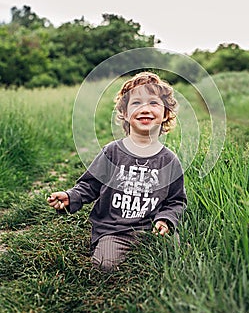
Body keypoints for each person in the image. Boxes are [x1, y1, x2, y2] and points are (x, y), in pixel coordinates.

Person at [47, 71, 187, 272]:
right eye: (137, 103)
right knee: (104, 265)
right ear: (125, 113)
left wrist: (165, 220)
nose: (145, 109)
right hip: (114, 230)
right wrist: (71, 196)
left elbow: (176, 201)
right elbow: (90, 185)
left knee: (175, 261)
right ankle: (107, 248)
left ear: (166, 114)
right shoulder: (112, 152)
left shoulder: (169, 160)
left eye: (153, 103)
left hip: (153, 228)